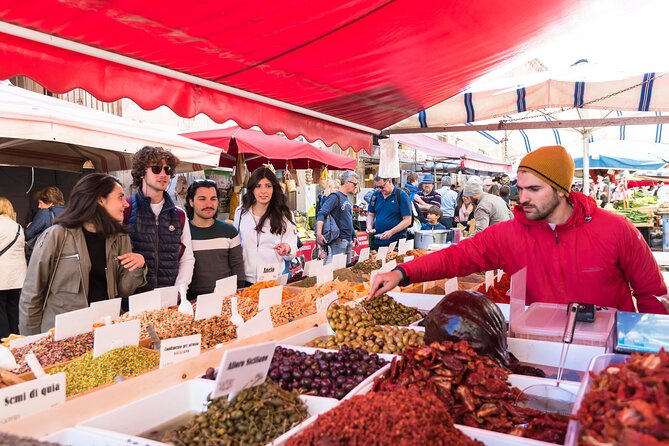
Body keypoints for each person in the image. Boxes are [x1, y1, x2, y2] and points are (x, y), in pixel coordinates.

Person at [369, 145, 668, 315]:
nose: (522, 198)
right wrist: (402, 273)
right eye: (521, 188)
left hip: (606, 353)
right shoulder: (510, 234)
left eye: (534, 189)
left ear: (562, 190)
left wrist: (646, 356)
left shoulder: (616, 229)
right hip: (539, 347)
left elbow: (652, 294)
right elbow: (456, 257)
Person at [20, 174, 147, 335]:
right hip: (63, 336)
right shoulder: (57, 235)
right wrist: (29, 339)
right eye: (120, 197)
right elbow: (32, 293)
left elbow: (124, 289)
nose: (125, 204)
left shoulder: (120, 238)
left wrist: (139, 266)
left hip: (105, 331)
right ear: (100, 200)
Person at [124, 146, 194, 297]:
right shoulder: (125, 209)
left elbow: (187, 257)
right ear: (142, 172)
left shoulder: (179, 215)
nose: (163, 174)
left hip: (168, 301)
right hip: (132, 300)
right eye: (156, 169)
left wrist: (180, 290)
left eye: (167, 170)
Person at [234, 167, 297, 285]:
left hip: (273, 279)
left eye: (268, 186)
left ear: (274, 189)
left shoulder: (285, 215)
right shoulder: (241, 212)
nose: (263, 191)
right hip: (245, 280)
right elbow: (236, 242)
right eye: (258, 186)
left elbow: (292, 251)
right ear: (252, 189)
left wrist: (287, 249)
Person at [185, 180, 245, 300]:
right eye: (202, 199)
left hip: (225, 296)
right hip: (191, 298)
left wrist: (238, 292)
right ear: (191, 202)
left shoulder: (229, 231)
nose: (209, 204)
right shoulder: (183, 232)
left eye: (213, 199)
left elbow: (237, 265)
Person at [316, 171, 359, 265]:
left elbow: (348, 218)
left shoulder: (347, 198)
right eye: (355, 184)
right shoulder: (335, 197)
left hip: (347, 239)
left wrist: (354, 235)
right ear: (347, 182)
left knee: (345, 270)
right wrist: (318, 234)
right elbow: (321, 214)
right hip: (338, 240)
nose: (356, 186)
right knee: (335, 270)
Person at [0, 198, 26, 337]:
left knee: (0, 309)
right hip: (17, 276)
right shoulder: (18, 227)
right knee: (13, 307)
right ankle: (15, 337)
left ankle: (3, 340)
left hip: (2, 274)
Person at [366, 176, 412, 248]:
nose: (379, 189)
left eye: (382, 186)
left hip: (396, 241)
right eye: (377, 187)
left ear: (390, 181)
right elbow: (371, 214)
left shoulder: (401, 195)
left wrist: (391, 232)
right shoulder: (376, 195)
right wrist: (369, 227)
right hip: (378, 240)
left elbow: (407, 220)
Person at [24, 187, 65, 256]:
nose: (39, 206)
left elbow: (27, 234)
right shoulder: (69, 213)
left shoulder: (44, 213)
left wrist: (29, 226)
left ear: (50, 203)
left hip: (47, 254)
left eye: (40, 203)